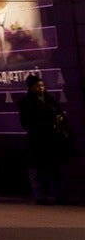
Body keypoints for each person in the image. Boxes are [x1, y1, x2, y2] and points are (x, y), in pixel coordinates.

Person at [17, 74, 72, 204]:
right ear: (31, 88)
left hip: (51, 139)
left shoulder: (50, 99)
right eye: (37, 86)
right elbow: (26, 122)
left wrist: (60, 119)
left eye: (42, 85)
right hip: (37, 139)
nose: (41, 88)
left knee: (54, 168)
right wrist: (49, 120)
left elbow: (59, 112)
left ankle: (60, 195)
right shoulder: (26, 102)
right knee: (37, 169)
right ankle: (40, 196)